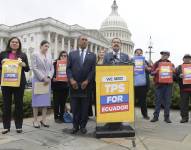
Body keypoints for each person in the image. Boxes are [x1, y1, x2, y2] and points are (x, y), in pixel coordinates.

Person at [66, 35, 96, 134]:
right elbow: (68, 68)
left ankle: (83, 126)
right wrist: (71, 79)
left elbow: (93, 70)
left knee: (84, 107)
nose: (84, 41)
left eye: (86, 40)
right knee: (75, 107)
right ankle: (75, 126)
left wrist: (87, 81)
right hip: (74, 85)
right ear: (78, 42)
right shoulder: (72, 54)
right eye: (82, 39)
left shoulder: (92, 55)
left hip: (86, 86)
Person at [0, 37, 30, 134]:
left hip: (19, 83)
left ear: (19, 44)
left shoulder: (23, 54)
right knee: (6, 105)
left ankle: (18, 126)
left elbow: (27, 69)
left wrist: (23, 64)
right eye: (13, 42)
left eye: (16, 42)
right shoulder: (3, 54)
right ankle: (6, 127)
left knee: (19, 105)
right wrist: (1, 63)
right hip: (6, 83)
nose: (14, 43)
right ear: (9, 43)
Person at [103, 37, 130, 130]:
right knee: (109, 104)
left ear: (120, 45)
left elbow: (128, 69)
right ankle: (109, 122)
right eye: (114, 42)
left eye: (118, 42)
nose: (116, 44)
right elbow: (103, 69)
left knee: (120, 104)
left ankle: (119, 122)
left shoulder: (125, 56)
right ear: (111, 44)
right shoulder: (106, 56)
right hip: (109, 84)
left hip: (121, 85)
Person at [31, 40, 53, 128]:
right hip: (38, 80)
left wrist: (49, 77)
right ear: (41, 46)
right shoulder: (35, 54)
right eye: (45, 46)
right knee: (36, 101)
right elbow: (34, 68)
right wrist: (43, 77)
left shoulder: (50, 56)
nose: (46, 48)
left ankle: (44, 120)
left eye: (48, 46)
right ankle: (35, 120)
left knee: (45, 102)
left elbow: (52, 69)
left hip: (47, 81)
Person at [150, 51, 175, 123]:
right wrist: (156, 71)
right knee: (157, 101)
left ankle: (166, 118)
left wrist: (173, 71)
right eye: (163, 54)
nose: (164, 56)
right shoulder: (156, 63)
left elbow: (175, 75)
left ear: (168, 56)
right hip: (159, 85)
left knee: (167, 102)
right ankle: (155, 117)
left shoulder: (171, 64)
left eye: (166, 55)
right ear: (161, 55)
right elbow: (151, 73)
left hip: (168, 85)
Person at [133, 48, 151, 120]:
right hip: (133, 84)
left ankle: (145, 115)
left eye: (140, 53)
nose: (139, 54)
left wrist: (147, 68)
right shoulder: (131, 61)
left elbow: (150, 71)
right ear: (135, 53)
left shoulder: (145, 61)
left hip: (143, 85)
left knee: (143, 101)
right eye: (137, 53)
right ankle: (131, 115)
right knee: (132, 101)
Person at [52, 51, 69, 123]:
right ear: (59, 56)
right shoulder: (55, 63)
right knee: (56, 103)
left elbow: (71, 73)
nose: (63, 57)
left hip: (65, 86)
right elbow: (51, 72)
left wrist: (69, 79)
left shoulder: (69, 64)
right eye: (62, 55)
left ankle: (61, 117)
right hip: (56, 86)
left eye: (65, 56)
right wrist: (53, 78)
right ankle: (56, 117)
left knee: (63, 102)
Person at [175, 54, 191, 123]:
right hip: (184, 89)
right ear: (183, 59)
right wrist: (179, 76)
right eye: (186, 58)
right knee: (184, 105)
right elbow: (174, 77)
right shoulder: (179, 67)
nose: (187, 59)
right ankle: (184, 118)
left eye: (188, 58)